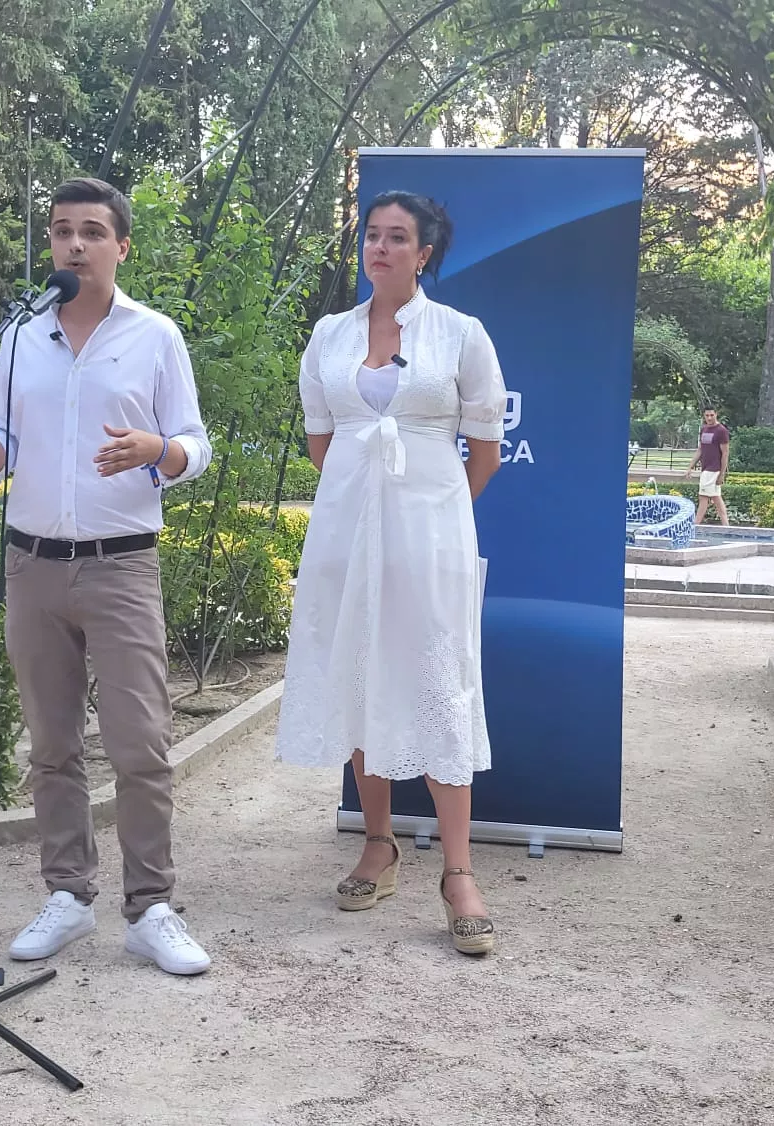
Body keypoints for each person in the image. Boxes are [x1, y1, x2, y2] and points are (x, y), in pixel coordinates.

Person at [0, 178, 215, 976]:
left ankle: (151, 907)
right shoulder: (20, 336)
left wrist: (158, 452)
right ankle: (68, 893)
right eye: (62, 231)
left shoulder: (155, 336)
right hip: (31, 561)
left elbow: (196, 445)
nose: (74, 245)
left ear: (121, 246)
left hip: (121, 564)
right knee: (51, 744)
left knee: (140, 743)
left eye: (92, 232)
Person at [273, 190, 506, 957]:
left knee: (439, 683)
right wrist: (363, 507)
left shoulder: (462, 334)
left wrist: (428, 516)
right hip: (345, 535)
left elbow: (484, 451)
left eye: (397, 237)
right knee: (362, 677)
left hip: (429, 539)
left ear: (425, 251)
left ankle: (460, 874)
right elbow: (323, 443)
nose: (380, 247)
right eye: (371, 235)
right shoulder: (329, 334)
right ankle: (379, 843)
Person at [692, 407, 729, 526]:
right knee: (716, 498)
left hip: (713, 469)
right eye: (707, 415)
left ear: (716, 415)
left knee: (703, 497)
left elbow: (725, 453)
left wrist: (722, 473)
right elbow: (700, 450)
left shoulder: (721, 430)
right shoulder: (703, 429)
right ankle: (726, 525)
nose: (709, 418)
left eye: (711, 415)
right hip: (705, 468)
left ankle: (696, 525)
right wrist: (690, 466)